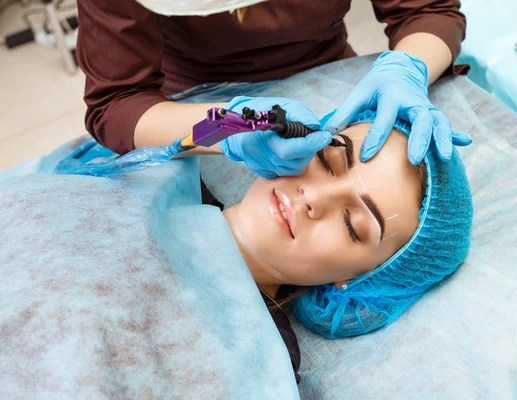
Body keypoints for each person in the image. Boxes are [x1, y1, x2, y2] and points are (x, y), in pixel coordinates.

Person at [76, 0, 473, 180]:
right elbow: (117, 103)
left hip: (332, 70)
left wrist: (408, 67)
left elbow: (426, 10)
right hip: (197, 108)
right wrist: (232, 124)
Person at [217, 109, 473, 381]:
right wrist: (235, 124)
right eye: (328, 159)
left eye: (352, 226)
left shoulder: (258, 367)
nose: (314, 197)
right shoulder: (174, 171)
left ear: (358, 279)